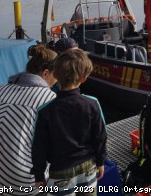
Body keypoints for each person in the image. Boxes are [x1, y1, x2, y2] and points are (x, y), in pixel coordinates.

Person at [0, 45, 58, 194]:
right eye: (56, 75)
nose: (56, 81)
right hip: (18, 181)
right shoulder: (49, 98)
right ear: (45, 73)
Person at [31, 49, 107, 194]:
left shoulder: (45, 111)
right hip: (88, 167)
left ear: (55, 75)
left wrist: (39, 174)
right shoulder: (92, 104)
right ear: (83, 78)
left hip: (60, 170)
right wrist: (101, 161)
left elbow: (39, 147)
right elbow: (100, 136)